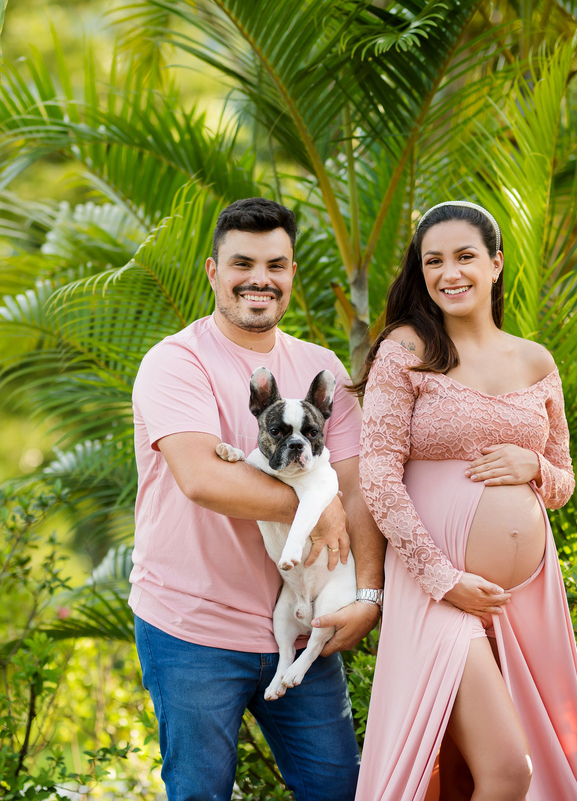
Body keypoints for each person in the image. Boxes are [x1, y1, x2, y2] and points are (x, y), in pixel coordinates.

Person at [352, 201, 577, 801]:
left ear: (495, 263)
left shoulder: (535, 360)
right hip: (437, 589)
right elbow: (379, 475)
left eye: (465, 257)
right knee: (508, 770)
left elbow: (564, 482)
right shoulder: (405, 350)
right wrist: (443, 579)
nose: (450, 273)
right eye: (433, 261)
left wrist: (535, 466)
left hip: (525, 598)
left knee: (521, 770)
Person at [129, 197, 387, 801]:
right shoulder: (175, 362)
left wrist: (369, 595)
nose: (260, 278)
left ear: (292, 273)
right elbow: (203, 478)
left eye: (276, 264)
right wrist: (312, 504)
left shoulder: (320, 368)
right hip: (190, 628)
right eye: (242, 262)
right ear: (214, 271)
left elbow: (356, 489)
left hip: (302, 624)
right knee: (200, 795)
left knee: (337, 791)